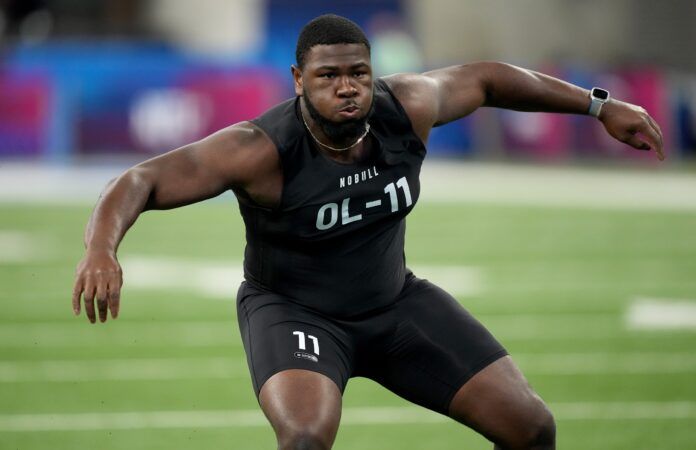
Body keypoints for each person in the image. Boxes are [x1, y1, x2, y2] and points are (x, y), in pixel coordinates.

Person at [71, 14, 664, 450]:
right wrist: (101, 248)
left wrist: (597, 105)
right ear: (299, 78)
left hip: (393, 302)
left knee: (532, 427)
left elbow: (487, 79)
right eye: (329, 75)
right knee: (305, 439)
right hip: (296, 313)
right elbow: (140, 179)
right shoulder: (259, 149)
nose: (347, 86)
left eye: (358, 72)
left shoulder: (405, 105)